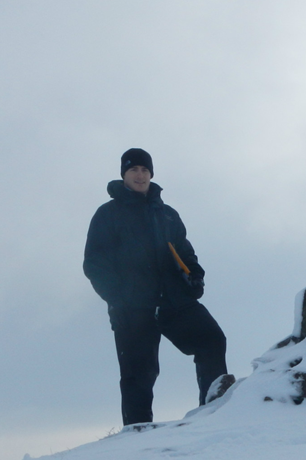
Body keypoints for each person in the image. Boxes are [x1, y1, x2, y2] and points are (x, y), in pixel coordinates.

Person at [84, 148, 228, 425]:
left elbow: (185, 252)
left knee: (212, 340)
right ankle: (138, 435)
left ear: (151, 174)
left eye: (145, 170)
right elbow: (94, 264)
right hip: (133, 309)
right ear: (124, 175)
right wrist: (118, 299)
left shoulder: (166, 214)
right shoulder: (107, 214)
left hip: (175, 301)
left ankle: (214, 414)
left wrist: (195, 278)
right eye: (133, 170)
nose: (140, 175)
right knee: (138, 375)